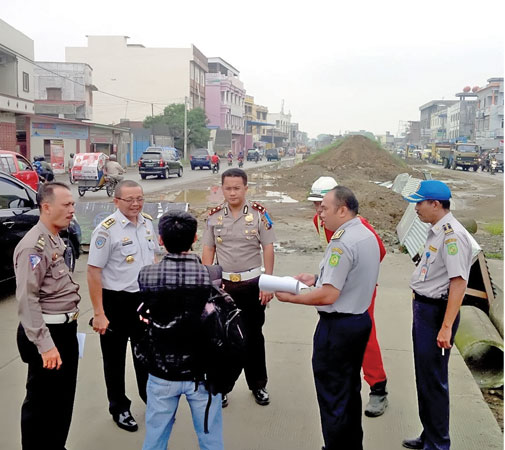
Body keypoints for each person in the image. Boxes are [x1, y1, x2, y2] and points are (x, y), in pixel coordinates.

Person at [276, 186, 381, 450]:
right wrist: (317, 277)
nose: (320, 213)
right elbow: (348, 276)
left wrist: (293, 297)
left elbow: (328, 295)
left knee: (332, 395)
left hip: (338, 329)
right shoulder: (365, 234)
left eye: (324, 208)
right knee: (348, 392)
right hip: (358, 322)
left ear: (342, 209)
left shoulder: (342, 242)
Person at [135, 210, 224, 450]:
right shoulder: (211, 274)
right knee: (210, 438)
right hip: (203, 372)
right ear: (195, 238)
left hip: (162, 368)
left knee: (155, 438)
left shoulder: (146, 274)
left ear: (160, 240)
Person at [307, 176, 390, 417]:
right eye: (315, 204)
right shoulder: (320, 221)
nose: (318, 210)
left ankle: (378, 388)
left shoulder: (359, 224)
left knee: (366, 336)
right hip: (336, 283)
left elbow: (378, 251)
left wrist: (356, 278)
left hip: (358, 287)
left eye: (321, 204)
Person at [400, 180, 474, 450]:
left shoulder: (452, 236)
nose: (416, 208)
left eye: (420, 203)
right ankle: (429, 433)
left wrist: (445, 327)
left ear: (436, 204)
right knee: (425, 378)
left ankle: (439, 443)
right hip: (424, 310)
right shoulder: (436, 231)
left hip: (436, 314)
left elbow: (458, 282)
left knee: (434, 381)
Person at [13, 182, 81, 450]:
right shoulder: (33, 246)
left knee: (62, 399)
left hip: (65, 331)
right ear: (46, 207)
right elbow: (27, 301)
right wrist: (45, 345)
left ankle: (55, 445)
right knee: (41, 404)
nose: (72, 210)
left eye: (73, 204)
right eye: (66, 205)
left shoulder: (54, 237)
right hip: (47, 336)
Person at [87, 180, 157, 432]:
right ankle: (119, 407)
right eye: (130, 199)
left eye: (140, 198)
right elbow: (94, 272)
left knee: (146, 354)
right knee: (114, 359)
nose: (136, 203)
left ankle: (151, 399)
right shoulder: (106, 231)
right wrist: (98, 313)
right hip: (115, 302)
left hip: (143, 300)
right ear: (116, 201)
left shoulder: (148, 222)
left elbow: (152, 259)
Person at [201, 168, 275, 408]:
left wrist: (268, 282)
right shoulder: (213, 217)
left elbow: (268, 249)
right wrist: (207, 285)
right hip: (224, 287)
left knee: (254, 337)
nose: (232, 192)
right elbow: (208, 251)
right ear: (221, 189)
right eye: (228, 188)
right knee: (222, 339)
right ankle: (222, 387)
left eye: (237, 188)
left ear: (245, 188)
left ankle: (258, 385)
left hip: (252, 285)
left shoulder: (260, 214)